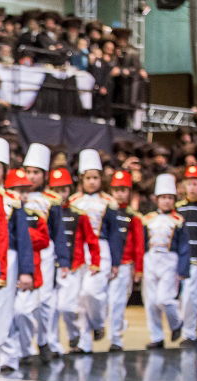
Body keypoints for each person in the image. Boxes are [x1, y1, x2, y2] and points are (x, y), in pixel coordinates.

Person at [0, 144, 34, 375]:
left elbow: (22, 237)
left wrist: (25, 270)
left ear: (4, 170)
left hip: (8, 257)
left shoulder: (13, 199)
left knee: (2, 309)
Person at [69, 149, 123, 354]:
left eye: (95, 178)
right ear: (82, 178)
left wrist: (116, 262)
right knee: (80, 297)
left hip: (101, 249)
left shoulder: (108, 202)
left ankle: (99, 323)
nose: (92, 182)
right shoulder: (74, 201)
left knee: (92, 292)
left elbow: (115, 233)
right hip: (79, 250)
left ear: (101, 179)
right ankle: (84, 342)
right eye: (88, 178)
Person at [47, 166, 102, 350]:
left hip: (73, 265)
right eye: (56, 190)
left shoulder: (79, 213)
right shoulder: (46, 211)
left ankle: (76, 336)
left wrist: (95, 262)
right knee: (52, 309)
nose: (60, 194)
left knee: (68, 306)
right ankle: (54, 344)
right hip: (50, 265)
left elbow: (91, 240)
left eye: (63, 189)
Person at [18, 142, 62, 363]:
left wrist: (63, 259)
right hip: (23, 251)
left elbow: (58, 232)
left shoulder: (51, 200)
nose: (31, 176)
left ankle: (46, 340)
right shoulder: (16, 194)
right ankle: (23, 346)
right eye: (28, 171)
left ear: (44, 175)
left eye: (36, 172)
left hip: (45, 252)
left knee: (45, 300)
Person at [6, 168, 52, 367]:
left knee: (23, 312)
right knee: (8, 314)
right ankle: (13, 352)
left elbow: (44, 239)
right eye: (18, 190)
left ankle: (27, 349)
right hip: (9, 269)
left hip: (32, 270)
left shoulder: (34, 215)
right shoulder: (7, 212)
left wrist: (24, 236)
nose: (23, 195)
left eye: (25, 191)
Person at [142, 174, 190, 348]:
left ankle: (176, 323)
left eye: (170, 198)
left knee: (165, 299)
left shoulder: (178, 220)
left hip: (170, 260)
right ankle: (157, 336)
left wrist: (183, 270)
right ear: (156, 199)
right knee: (151, 301)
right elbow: (142, 244)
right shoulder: (147, 219)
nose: (166, 201)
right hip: (150, 259)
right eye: (163, 198)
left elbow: (185, 247)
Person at [106, 169, 143, 352]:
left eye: (123, 189)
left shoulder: (133, 217)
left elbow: (139, 245)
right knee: (104, 302)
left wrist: (138, 269)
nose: (120, 193)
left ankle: (116, 340)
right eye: (116, 189)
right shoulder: (107, 212)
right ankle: (117, 327)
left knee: (117, 303)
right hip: (106, 264)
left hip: (125, 264)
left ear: (129, 192)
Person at [177, 164, 197, 345]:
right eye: (190, 184)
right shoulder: (178, 210)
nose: (193, 188)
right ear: (184, 186)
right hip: (184, 261)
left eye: (196, 184)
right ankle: (189, 332)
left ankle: (190, 334)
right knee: (186, 298)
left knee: (192, 298)